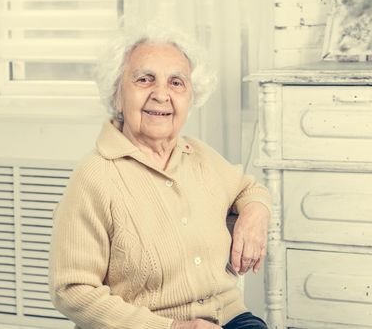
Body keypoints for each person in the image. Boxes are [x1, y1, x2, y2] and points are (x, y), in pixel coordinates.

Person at [49, 23, 272, 329]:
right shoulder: (95, 176)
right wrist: (175, 328)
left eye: (177, 83)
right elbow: (72, 292)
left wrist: (256, 213)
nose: (161, 95)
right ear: (117, 94)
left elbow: (250, 189)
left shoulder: (200, 155)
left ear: (190, 98)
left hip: (229, 318)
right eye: (144, 79)